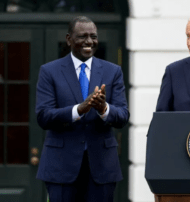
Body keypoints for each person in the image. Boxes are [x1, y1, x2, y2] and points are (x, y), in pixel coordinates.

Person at [35, 16, 129, 202]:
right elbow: (43, 116)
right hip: (61, 167)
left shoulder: (112, 71)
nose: (89, 41)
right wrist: (79, 109)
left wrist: (104, 109)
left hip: (101, 168)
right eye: (82, 36)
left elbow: (123, 115)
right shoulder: (49, 71)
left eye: (93, 36)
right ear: (69, 39)